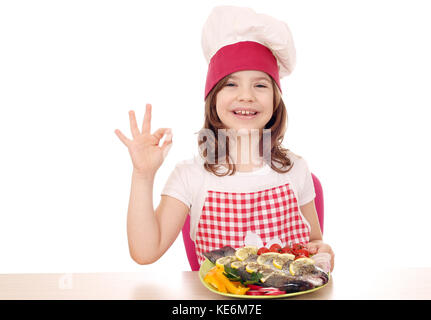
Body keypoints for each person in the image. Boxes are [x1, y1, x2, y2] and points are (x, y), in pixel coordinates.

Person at [114, 6, 335, 271]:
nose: (246, 95)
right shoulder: (191, 176)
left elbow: (314, 245)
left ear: (276, 100)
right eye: (231, 84)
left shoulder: (296, 169)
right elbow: (145, 252)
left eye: (260, 85)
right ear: (213, 98)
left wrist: (324, 251)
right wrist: (143, 175)